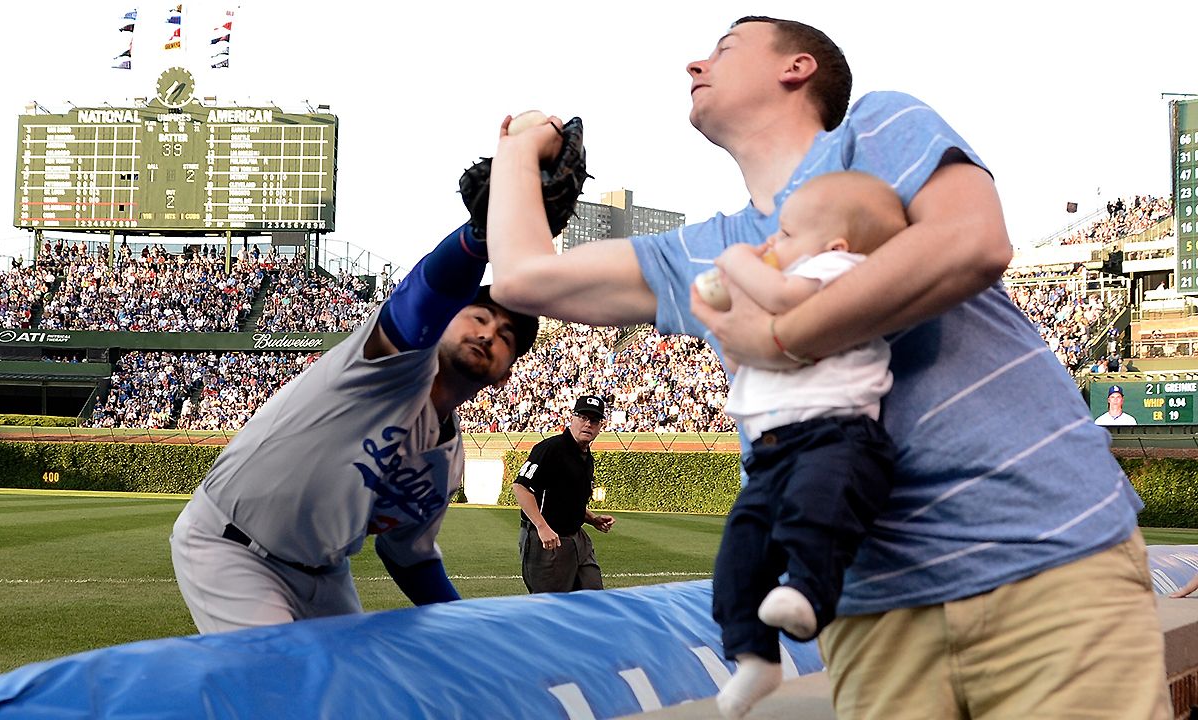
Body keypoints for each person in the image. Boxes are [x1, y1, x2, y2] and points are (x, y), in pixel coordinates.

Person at [484, 16, 1169, 720]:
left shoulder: (873, 130)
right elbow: (524, 277)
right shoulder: (706, 250)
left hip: (1044, 556)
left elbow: (972, 241)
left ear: (798, 68)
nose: (694, 64)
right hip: (870, 609)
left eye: (724, 47)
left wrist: (780, 333)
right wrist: (521, 146)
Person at [169, 221, 539, 633]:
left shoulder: (447, 465)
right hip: (232, 547)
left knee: (355, 689)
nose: (488, 334)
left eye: (505, 336)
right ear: (446, 321)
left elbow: (409, 555)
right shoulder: (387, 368)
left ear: (506, 375)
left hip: (325, 573)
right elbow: (425, 295)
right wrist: (479, 235)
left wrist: (468, 622)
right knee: (281, 683)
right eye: (480, 317)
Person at [701, 171, 906, 718]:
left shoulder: (841, 270)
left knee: (816, 516)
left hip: (835, 436)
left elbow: (780, 293)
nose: (772, 243)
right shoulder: (795, 281)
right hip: (771, 450)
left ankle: (811, 595)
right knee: (739, 556)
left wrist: (739, 261)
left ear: (834, 246)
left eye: (786, 234)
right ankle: (754, 657)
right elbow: (745, 355)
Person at [512, 394, 616, 593]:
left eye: (594, 420)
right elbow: (521, 487)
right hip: (548, 540)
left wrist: (592, 519)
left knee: (594, 598)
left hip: (577, 539)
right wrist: (542, 527)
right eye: (583, 418)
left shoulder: (586, 457)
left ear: (600, 426)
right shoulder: (550, 449)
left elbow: (567, 499)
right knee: (551, 606)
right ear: (572, 418)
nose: (588, 424)